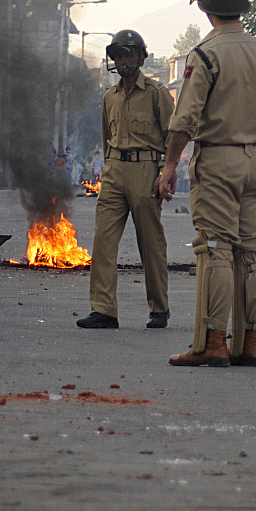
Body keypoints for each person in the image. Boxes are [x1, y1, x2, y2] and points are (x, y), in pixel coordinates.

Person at [155, 0, 256, 367]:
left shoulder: (205, 55)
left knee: (215, 249)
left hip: (217, 159)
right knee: (251, 253)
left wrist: (168, 166)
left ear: (208, 9)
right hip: (253, 160)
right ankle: (250, 344)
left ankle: (212, 343)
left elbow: (184, 119)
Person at [76, 29, 175, 330]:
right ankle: (104, 310)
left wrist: (164, 173)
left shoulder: (157, 93)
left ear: (141, 56)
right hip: (115, 171)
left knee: (151, 243)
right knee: (103, 241)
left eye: (128, 54)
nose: (123, 61)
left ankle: (159, 308)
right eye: (118, 55)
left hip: (146, 171)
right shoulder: (110, 97)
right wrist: (108, 173)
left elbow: (172, 136)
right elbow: (108, 140)